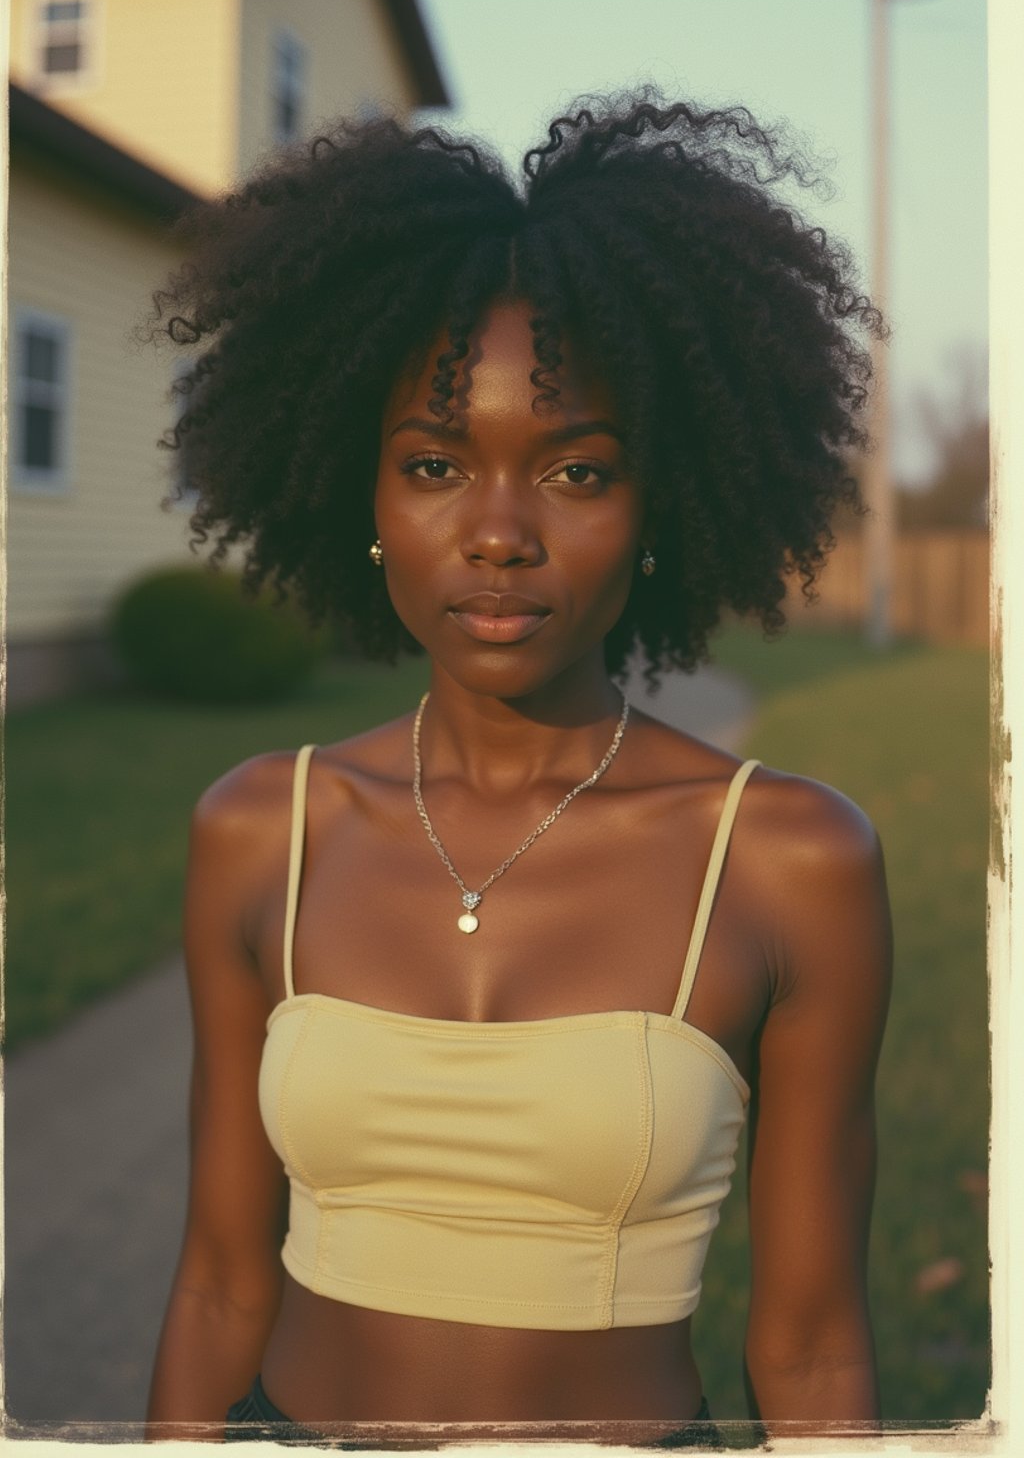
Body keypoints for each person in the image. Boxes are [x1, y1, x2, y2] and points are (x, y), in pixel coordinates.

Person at [144, 91, 893, 1445]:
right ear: (357, 497)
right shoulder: (264, 828)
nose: (497, 533)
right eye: (434, 464)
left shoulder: (788, 862)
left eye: (578, 473)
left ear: (664, 503)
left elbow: (818, 1351)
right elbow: (215, 1286)